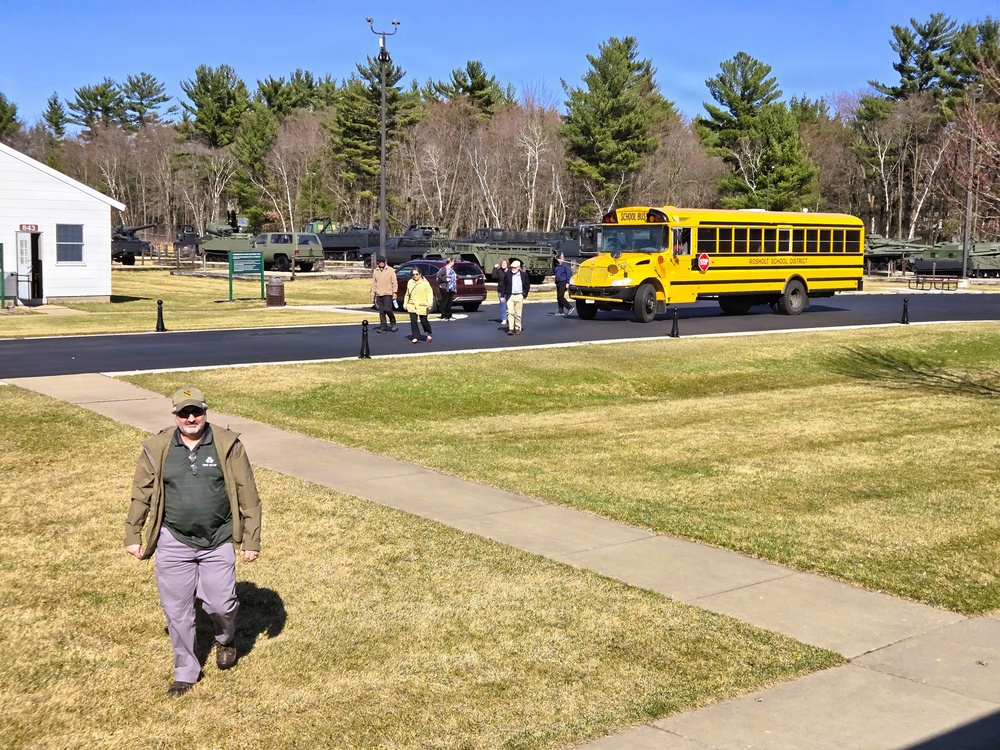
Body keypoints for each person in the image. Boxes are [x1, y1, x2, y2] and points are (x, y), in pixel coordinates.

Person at [124, 387, 261, 697]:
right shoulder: (157, 448)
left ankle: (225, 638)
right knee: (178, 611)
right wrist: (133, 533)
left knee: (221, 603)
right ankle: (186, 672)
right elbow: (140, 494)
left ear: (205, 411)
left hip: (218, 538)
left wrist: (251, 540)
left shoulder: (228, 446)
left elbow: (248, 497)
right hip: (174, 540)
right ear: (174, 415)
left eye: (196, 412)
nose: (191, 418)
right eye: (184, 413)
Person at [500, 259, 531, 335]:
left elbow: (527, 285)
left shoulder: (524, 275)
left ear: (518, 267)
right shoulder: (508, 274)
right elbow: (504, 285)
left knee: (518, 313)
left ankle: (517, 328)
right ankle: (511, 328)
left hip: (519, 295)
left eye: (514, 267)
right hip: (510, 296)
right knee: (510, 312)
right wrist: (502, 296)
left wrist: (524, 294)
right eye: (512, 267)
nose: (513, 269)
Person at [404, 267, 434, 343]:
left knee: (424, 321)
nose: (415, 276)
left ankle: (429, 332)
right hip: (412, 305)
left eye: (417, 274)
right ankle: (415, 336)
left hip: (422, 305)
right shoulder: (410, 282)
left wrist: (429, 303)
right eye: (413, 274)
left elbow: (429, 294)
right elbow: (407, 294)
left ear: (420, 274)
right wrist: (405, 303)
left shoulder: (425, 283)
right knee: (413, 321)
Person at [371, 256, 398, 333]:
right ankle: (383, 326)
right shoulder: (376, 271)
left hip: (388, 293)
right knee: (381, 311)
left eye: (383, 262)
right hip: (379, 294)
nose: (382, 263)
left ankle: (393, 322)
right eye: (380, 262)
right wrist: (373, 294)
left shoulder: (390, 270)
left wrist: (394, 292)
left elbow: (394, 282)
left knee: (387, 309)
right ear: (377, 263)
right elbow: (374, 284)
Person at [493, 258, 510, 330]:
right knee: (503, 305)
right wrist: (495, 268)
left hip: (508, 291)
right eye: (502, 263)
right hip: (501, 290)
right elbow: (494, 276)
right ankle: (504, 319)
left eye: (504, 263)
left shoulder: (509, 271)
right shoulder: (499, 271)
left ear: (507, 265)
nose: (503, 265)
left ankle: (510, 319)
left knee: (509, 306)